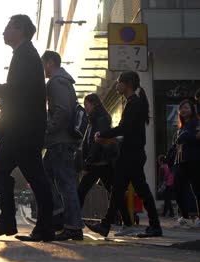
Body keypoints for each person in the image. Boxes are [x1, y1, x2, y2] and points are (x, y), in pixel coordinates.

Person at [0, 14, 54, 242]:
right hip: (17, 128)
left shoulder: (27, 55)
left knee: (36, 177)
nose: (4, 32)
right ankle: (8, 222)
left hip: (23, 130)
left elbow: (19, 89)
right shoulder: (23, 55)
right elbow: (23, 92)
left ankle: (43, 227)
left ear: (20, 29)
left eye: (8, 27)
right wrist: (2, 99)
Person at [88, 71, 163, 238]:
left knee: (135, 190)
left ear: (127, 84)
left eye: (118, 82)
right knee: (120, 189)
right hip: (130, 154)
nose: (116, 85)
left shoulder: (134, 104)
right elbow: (127, 131)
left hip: (131, 155)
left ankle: (154, 226)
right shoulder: (132, 103)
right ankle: (107, 224)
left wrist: (103, 134)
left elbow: (125, 128)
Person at [41, 50, 84, 241]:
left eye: (44, 65)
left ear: (50, 63)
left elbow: (62, 111)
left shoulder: (57, 82)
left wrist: (47, 130)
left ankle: (73, 226)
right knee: (43, 176)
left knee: (66, 184)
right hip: (58, 142)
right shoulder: (63, 81)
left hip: (60, 141)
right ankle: (59, 214)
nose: (43, 69)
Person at [78, 94, 115, 211]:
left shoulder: (100, 119)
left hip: (98, 162)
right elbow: (88, 143)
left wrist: (87, 164)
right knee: (113, 191)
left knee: (81, 191)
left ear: (94, 104)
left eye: (86, 105)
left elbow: (96, 143)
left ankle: (73, 221)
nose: (85, 108)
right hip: (98, 162)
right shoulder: (93, 120)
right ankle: (126, 219)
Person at [172, 99, 200, 228]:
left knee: (197, 189)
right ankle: (185, 217)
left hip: (194, 160)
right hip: (180, 162)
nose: (183, 110)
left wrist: (187, 136)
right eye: (181, 108)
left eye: (186, 108)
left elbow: (197, 138)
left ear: (192, 110)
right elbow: (176, 145)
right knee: (177, 189)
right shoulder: (181, 127)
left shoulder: (197, 123)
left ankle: (198, 218)